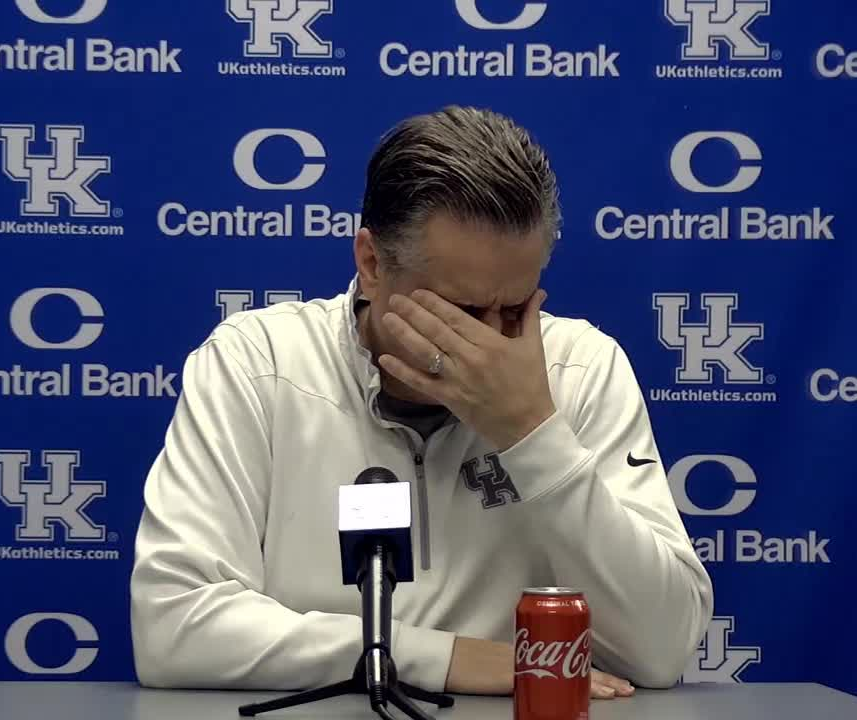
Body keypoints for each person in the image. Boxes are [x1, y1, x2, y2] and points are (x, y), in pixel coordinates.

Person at [130, 106, 712, 697]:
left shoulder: (580, 368)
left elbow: (661, 648)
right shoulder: (257, 365)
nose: (488, 344)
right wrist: (440, 658)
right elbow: (172, 626)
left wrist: (533, 434)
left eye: (513, 310)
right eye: (458, 312)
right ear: (372, 263)